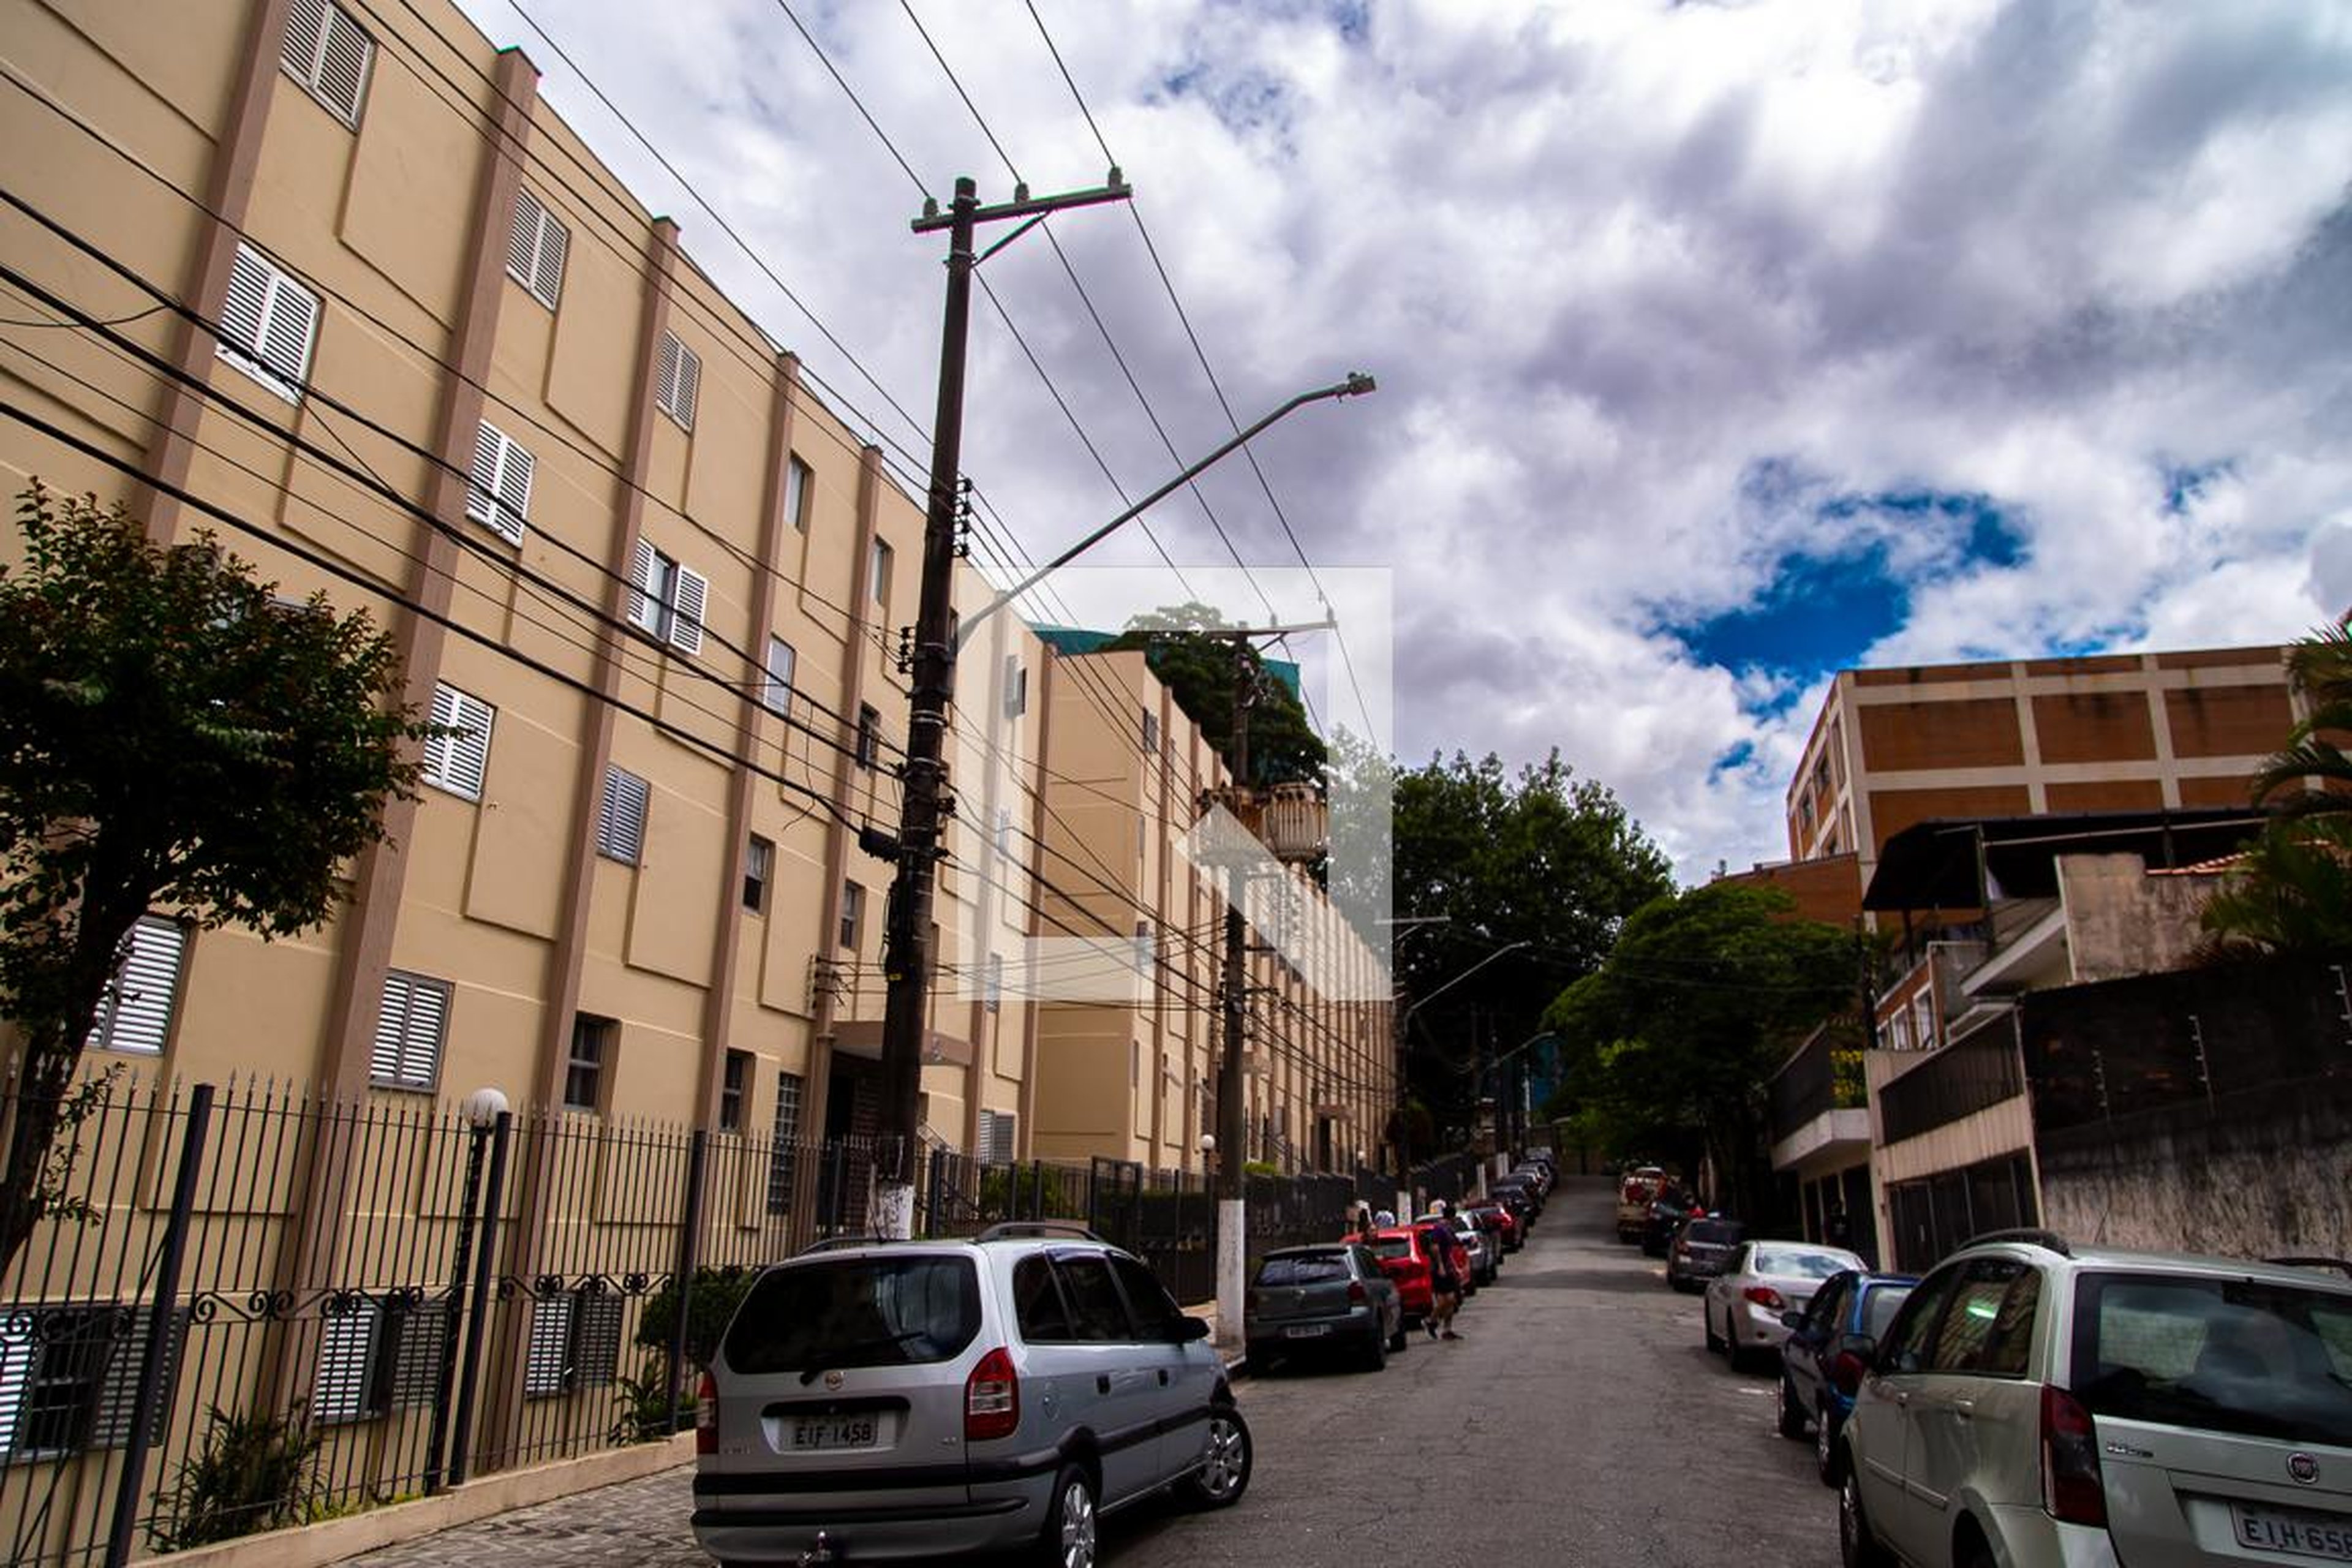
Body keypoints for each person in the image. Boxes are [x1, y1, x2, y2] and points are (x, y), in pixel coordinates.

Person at [1420, 1209, 1464, 1340]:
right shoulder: (1440, 1229)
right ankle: (1430, 1321)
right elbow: (1435, 1248)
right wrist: (1441, 1266)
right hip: (1439, 1270)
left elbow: (1448, 1251)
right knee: (1449, 1299)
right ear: (1452, 1217)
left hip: (1447, 1268)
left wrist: (1455, 1267)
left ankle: (1447, 1330)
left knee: (1449, 1300)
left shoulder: (1448, 1229)